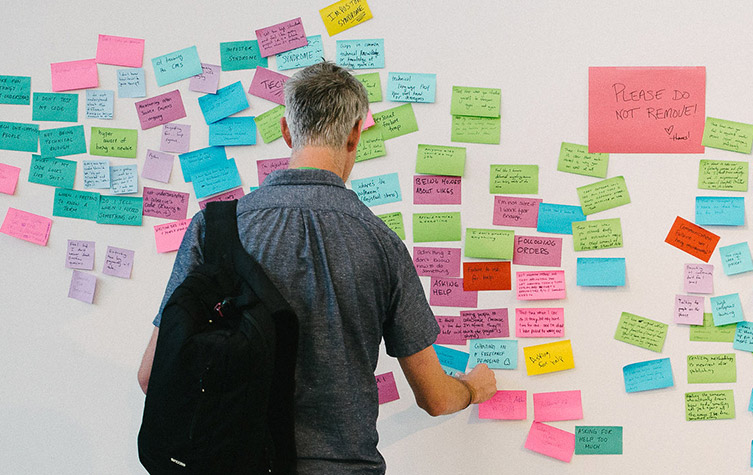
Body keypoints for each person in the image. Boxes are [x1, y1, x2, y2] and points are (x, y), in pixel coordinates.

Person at [137, 61, 497, 474]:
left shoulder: (214, 229)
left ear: (288, 131)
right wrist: (472, 388)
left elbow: (152, 377)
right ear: (356, 133)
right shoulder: (381, 244)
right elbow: (435, 398)